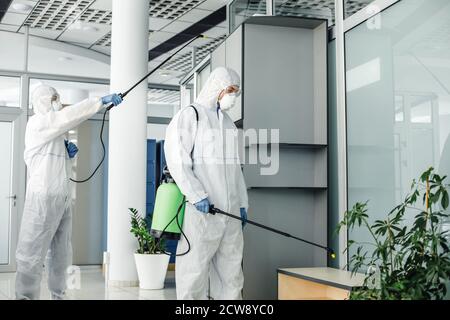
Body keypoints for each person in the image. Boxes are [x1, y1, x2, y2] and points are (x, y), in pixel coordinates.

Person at [15, 85, 123, 300]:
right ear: (42, 101)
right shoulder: (38, 123)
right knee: (31, 254)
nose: (57, 102)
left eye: (58, 98)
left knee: (62, 255)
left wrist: (67, 155)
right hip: (42, 199)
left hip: (61, 198)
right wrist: (99, 101)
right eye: (53, 98)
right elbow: (66, 117)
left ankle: (59, 295)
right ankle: (25, 297)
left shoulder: (55, 132)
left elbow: (53, 164)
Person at [165, 67, 249, 300]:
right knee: (194, 273)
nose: (234, 96)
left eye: (236, 92)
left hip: (229, 213)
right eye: (231, 90)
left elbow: (235, 169)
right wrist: (196, 195)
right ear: (217, 88)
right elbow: (177, 160)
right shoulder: (191, 115)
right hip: (202, 213)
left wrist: (242, 203)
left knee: (232, 274)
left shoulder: (229, 125)